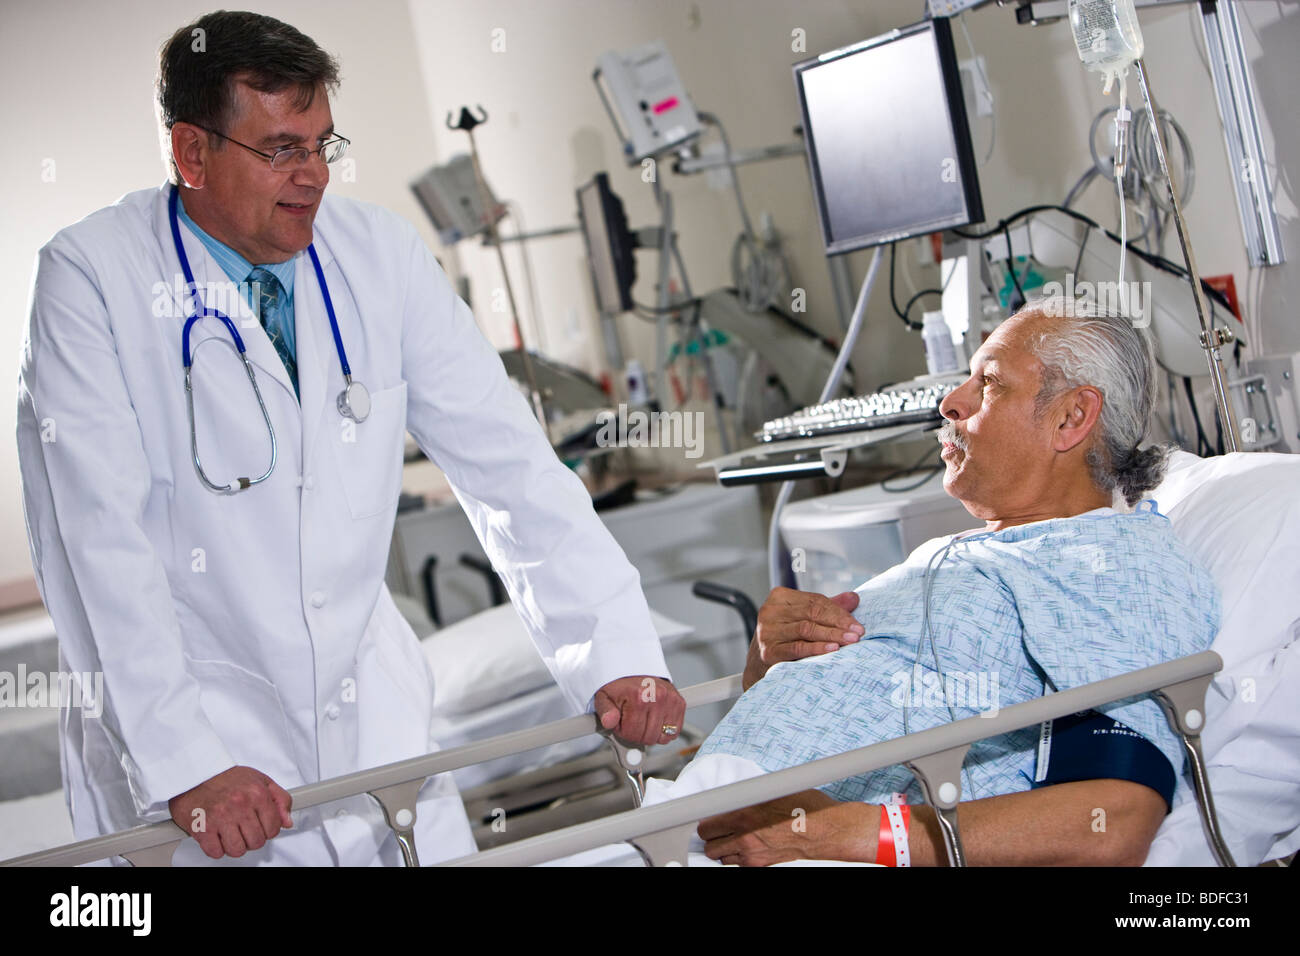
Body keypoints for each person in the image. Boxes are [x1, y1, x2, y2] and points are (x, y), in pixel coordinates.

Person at [15, 10, 684, 866]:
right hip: (202, 756)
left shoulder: (377, 254)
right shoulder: (91, 279)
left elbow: (511, 469)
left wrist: (615, 656)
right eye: (281, 149)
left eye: (323, 145)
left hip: (376, 736)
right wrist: (187, 761)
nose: (313, 177)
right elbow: (99, 543)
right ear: (190, 152)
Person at [643, 299, 1220, 866]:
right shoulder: (963, 552)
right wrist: (767, 662)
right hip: (696, 825)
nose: (950, 402)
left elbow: (1112, 823)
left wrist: (832, 833)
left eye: (988, 384)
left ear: (1072, 417)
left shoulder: (1111, 565)